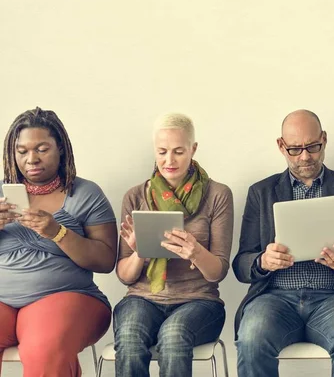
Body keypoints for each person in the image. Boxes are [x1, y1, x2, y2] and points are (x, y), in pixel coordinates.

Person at [233, 109, 334, 377]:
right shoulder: (261, 192)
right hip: (273, 298)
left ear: (324, 140)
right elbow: (241, 264)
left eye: (313, 146)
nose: (305, 156)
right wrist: (263, 261)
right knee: (252, 338)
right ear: (281, 146)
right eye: (295, 149)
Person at [113, 113, 233, 377]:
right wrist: (140, 253)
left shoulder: (217, 195)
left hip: (199, 302)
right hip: (142, 298)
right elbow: (124, 276)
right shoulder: (135, 196)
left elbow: (218, 272)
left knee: (174, 335)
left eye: (179, 151)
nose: (169, 160)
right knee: (131, 338)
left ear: (193, 149)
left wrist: (197, 252)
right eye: (162, 151)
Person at [0, 107, 117, 376]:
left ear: (60, 148)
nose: (31, 159)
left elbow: (106, 260)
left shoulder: (86, 194)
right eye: (22, 151)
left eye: (42, 149)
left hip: (66, 296)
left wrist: (57, 232)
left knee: (44, 348)